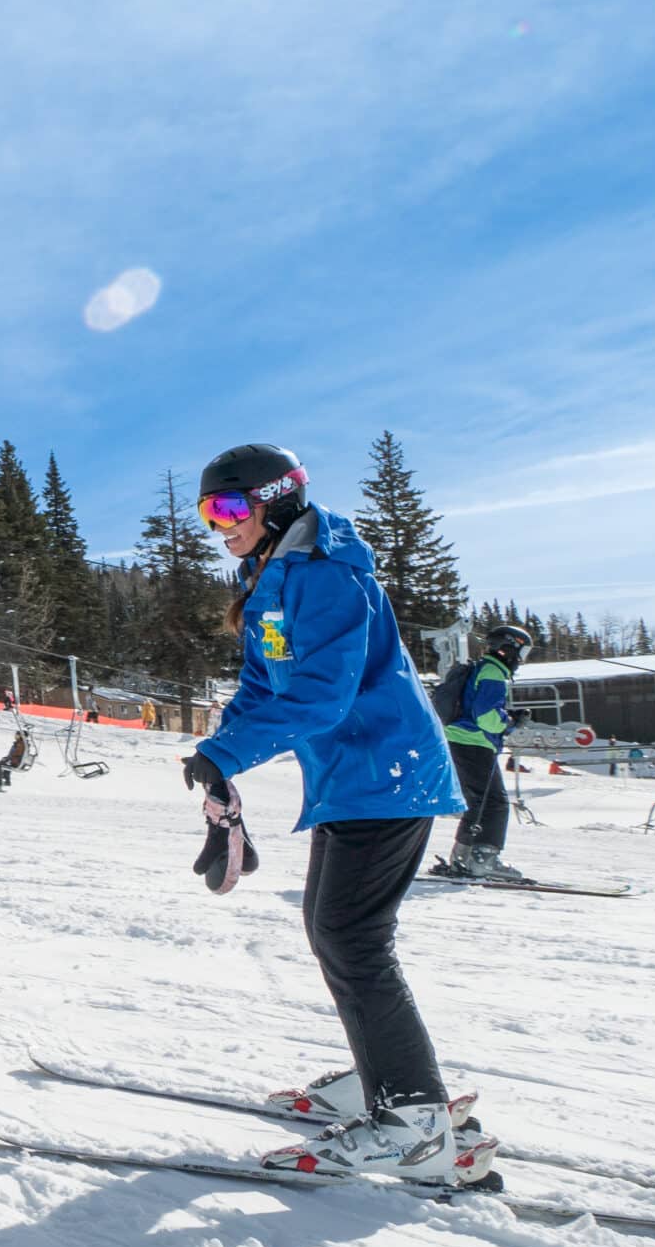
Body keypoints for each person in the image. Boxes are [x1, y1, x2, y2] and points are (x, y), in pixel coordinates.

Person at [177, 444, 483, 1187]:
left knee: (352, 936)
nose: (219, 526)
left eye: (228, 508)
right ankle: (384, 1071)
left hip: (387, 773)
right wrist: (219, 751)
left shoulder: (327, 576)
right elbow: (263, 684)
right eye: (207, 514)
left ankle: (412, 1118)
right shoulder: (274, 579)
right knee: (334, 928)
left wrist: (236, 753)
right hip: (357, 779)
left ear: (276, 498)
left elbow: (321, 696)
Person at [438, 623, 533, 881]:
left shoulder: (481, 669)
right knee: (496, 803)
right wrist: (510, 722)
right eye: (522, 654)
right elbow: (486, 717)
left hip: (460, 739)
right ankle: (484, 860)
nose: (521, 662)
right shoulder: (494, 673)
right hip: (474, 742)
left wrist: (506, 717)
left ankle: (463, 858)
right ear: (510, 649)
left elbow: (476, 707)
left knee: (478, 802)